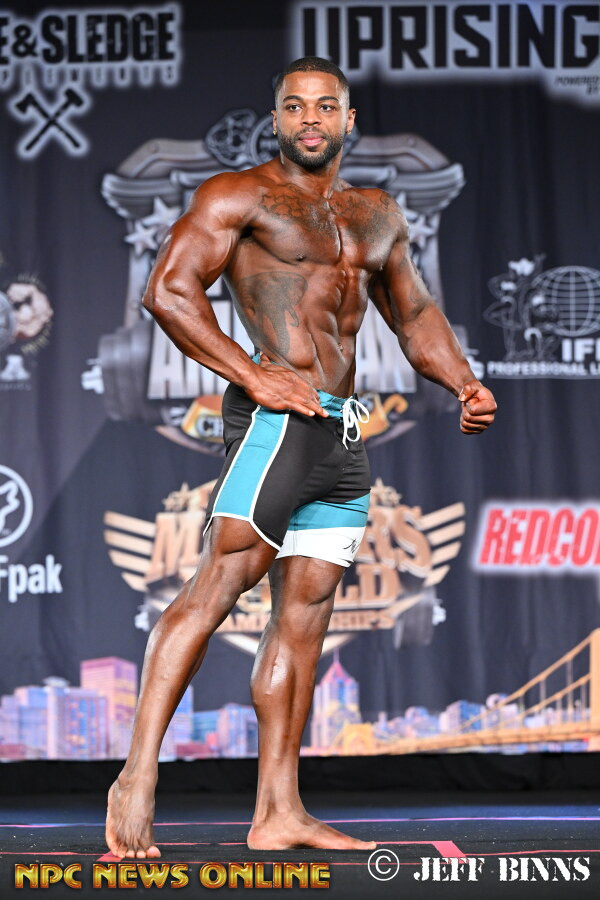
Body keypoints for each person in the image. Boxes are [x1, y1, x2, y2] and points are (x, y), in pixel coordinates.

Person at [105, 56, 497, 857]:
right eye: (294, 106)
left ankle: (278, 810)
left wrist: (464, 381)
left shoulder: (376, 213)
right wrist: (254, 374)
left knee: (305, 620)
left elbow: (414, 314)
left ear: (348, 121)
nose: (309, 118)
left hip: (343, 437)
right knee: (218, 585)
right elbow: (168, 290)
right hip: (276, 424)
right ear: (277, 120)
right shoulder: (239, 196)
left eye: (324, 106)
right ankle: (136, 775)